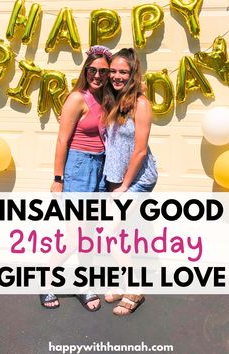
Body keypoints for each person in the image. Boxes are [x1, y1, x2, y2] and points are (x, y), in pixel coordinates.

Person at [40, 45, 112, 310]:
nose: (97, 75)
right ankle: (45, 278)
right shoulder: (77, 99)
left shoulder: (106, 98)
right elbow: (62, 139)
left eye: (103, 71)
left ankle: (86, 284)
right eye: (92, 70)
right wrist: (58, 178)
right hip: (78, 168)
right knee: (75, 237)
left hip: (99, 169)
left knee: (89, 234)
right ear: (85, 70)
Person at [103, 48, 158, 315]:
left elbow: (140, 151)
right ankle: (124, 282)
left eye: (123, 71)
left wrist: (124, 187)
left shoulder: (141, 104)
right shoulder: (113, 101)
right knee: (121, 233)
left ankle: (135, 288)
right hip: (116, 177)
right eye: (113, 71)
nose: (116, 76)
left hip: (136, 180)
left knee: (110, 233)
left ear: (133, 73)